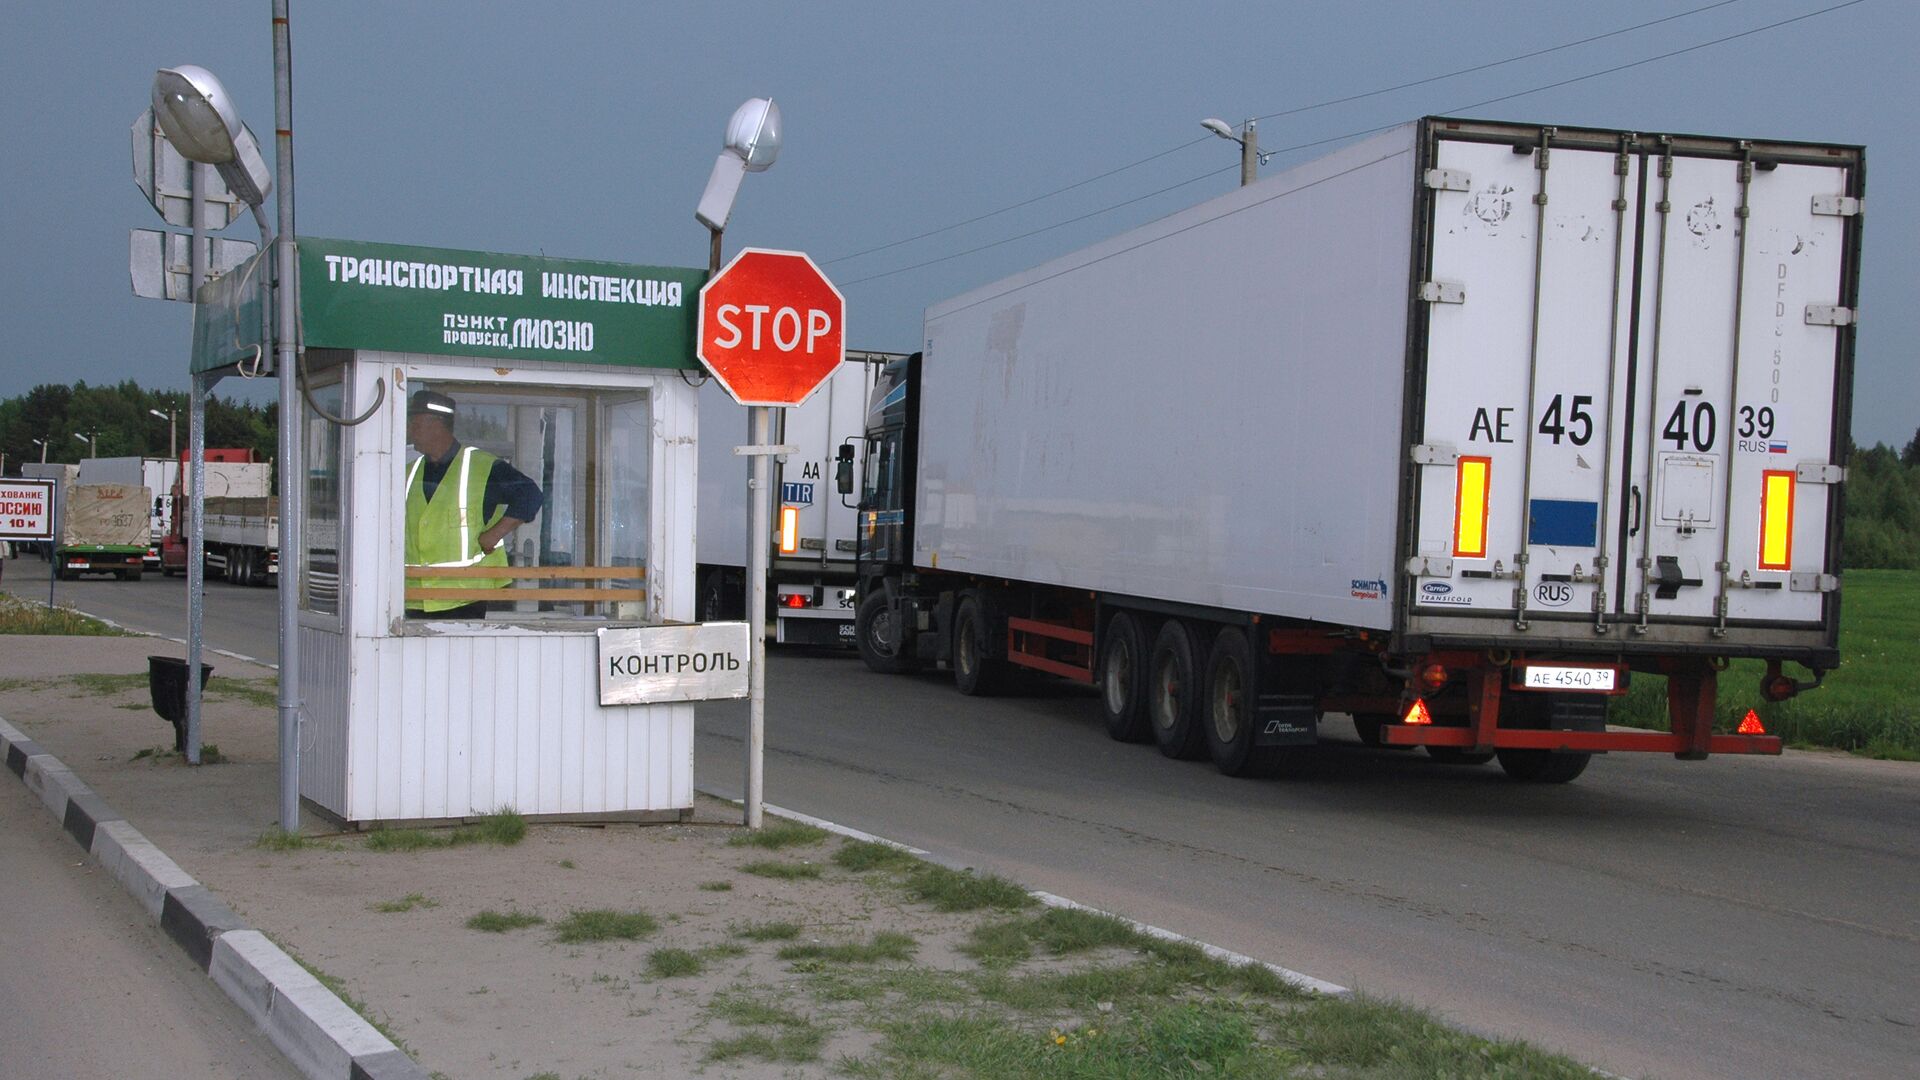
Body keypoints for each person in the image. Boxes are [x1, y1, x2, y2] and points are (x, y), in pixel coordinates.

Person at [404, 390, 543, 619]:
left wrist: (494, 534)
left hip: (464, 597)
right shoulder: (410, 472)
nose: (410, 431)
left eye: (415, 425)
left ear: (436, 425)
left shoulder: (482, 466)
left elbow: (530, 495)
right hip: (415, 598)